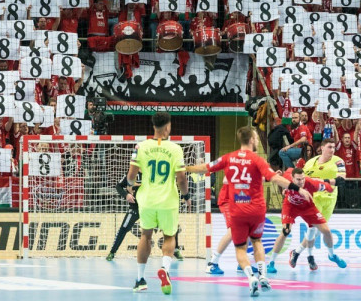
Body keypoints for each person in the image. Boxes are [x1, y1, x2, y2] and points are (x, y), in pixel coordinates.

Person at [186, 126, 298, 297]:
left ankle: (243, 265)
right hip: (229, 200)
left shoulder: (236, 159)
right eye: (256, 137)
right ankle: (213, 263)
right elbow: (233, 179)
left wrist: (186, 168)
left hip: (241, 203)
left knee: (243, 236)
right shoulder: (245, 159)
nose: (258, 140)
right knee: (237, 232)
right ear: (251, 139)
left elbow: (247, 178)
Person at [124, 111, 189, 295]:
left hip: (147, 200)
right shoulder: (175, 149)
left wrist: (129, 186)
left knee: (145, 236)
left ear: (153, 126)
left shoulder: (141, 147)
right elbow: (181, 179)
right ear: (167, 127)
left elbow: (131, 176)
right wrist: (186, 196)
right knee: (169, 236)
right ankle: (164, 268)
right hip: (168, 201)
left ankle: (140, 279)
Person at [267, 168, 346, 274]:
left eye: (303, 179)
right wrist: (279, 175)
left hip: (308, 207)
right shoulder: (287, 176)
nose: (301, 182)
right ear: (292, 178)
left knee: (326, 231)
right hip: (290, 207)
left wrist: (334, 184)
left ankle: (332, 255)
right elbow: (278, 177)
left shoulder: (311, 183)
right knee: (286, 231)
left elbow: (326, 185)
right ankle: (271, 263)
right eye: (298, 179)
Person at [290, 138, 346, 267]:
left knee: (316, 231)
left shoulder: (338, 161)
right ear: (322, 148)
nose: (332, 150)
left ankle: (296, 252)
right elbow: (301, 180)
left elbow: (342, 180)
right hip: (314, 199)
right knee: (314, 228)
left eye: (333, 147)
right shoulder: (310, 163)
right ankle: (324, 256)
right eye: (329, 147)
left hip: (330, 199)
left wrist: (321, 181)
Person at [106, 176, 183, 262]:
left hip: (152, 207)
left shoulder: (151, 171)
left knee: (170, 226)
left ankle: (175, 249)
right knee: (124, 228)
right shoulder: (132, 173)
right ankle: (112, 252)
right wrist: (126, 195)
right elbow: (118, 186)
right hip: (136, 208)